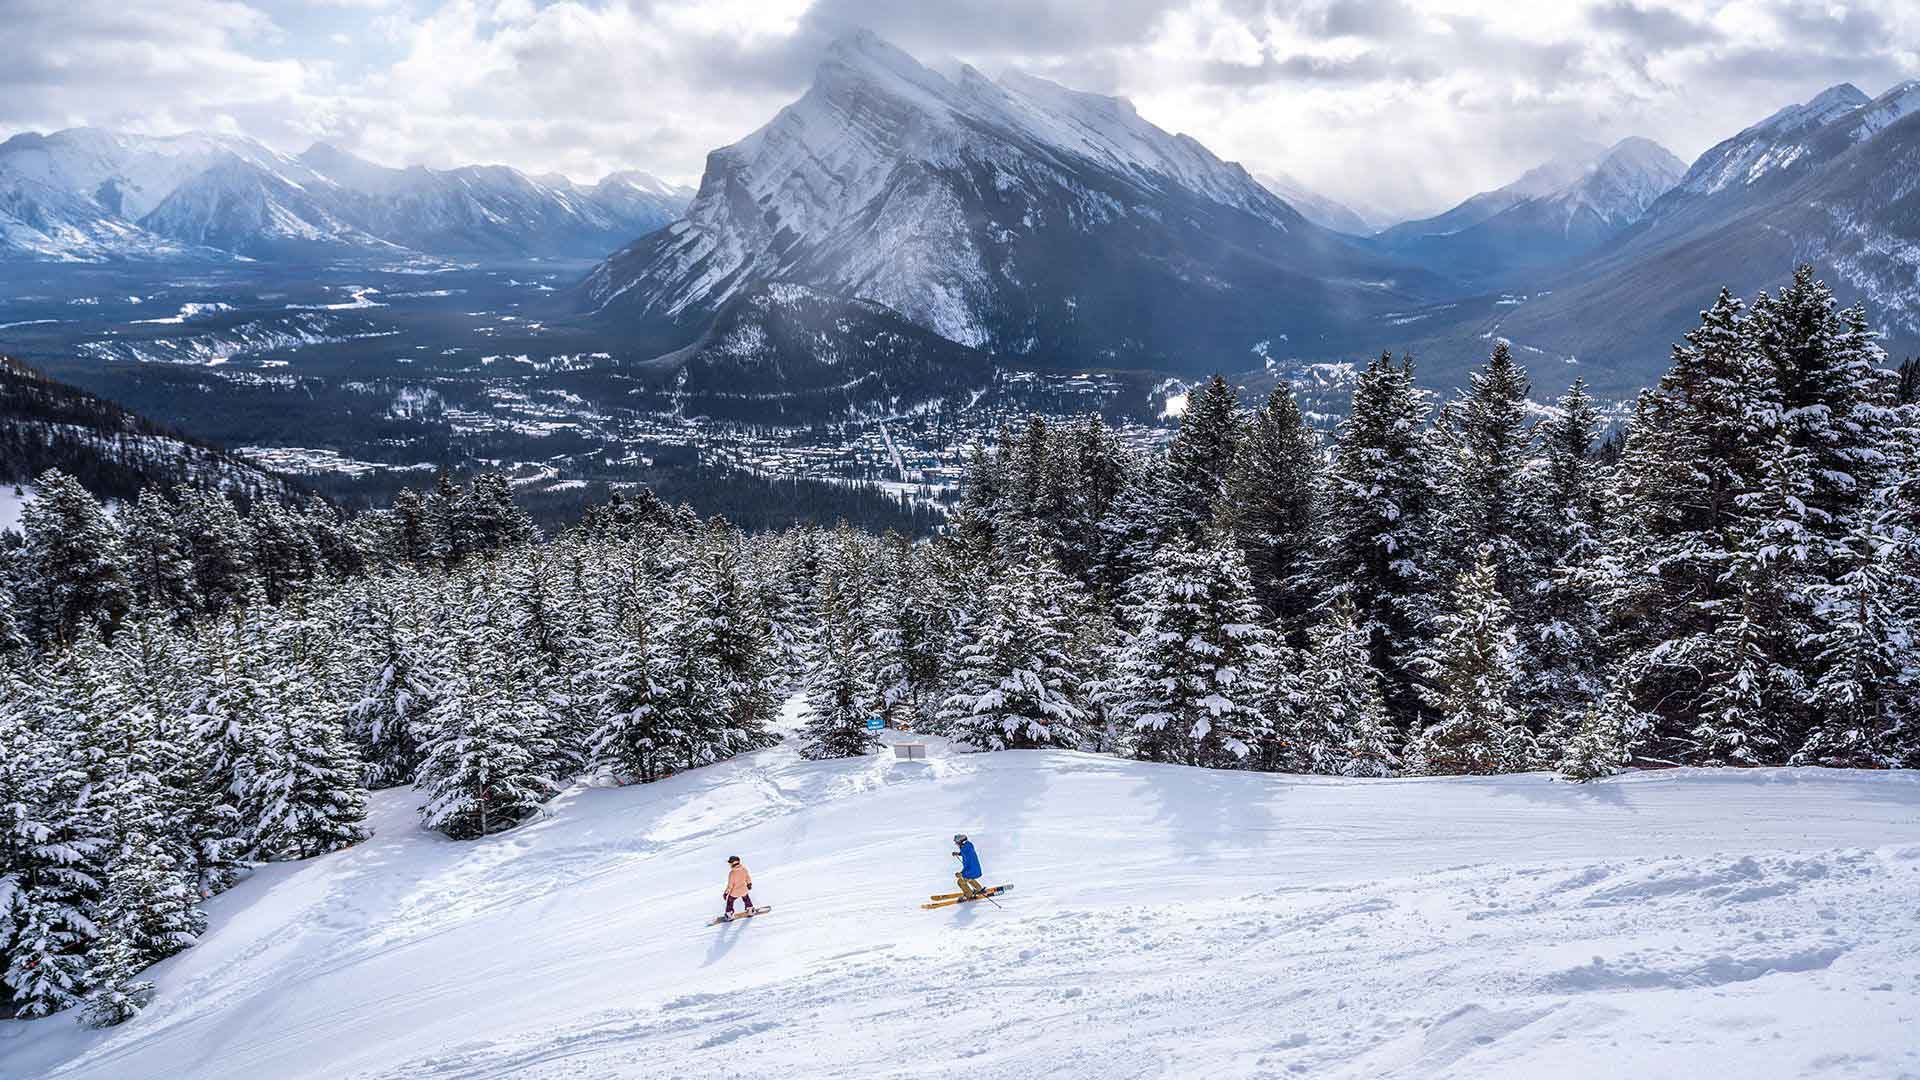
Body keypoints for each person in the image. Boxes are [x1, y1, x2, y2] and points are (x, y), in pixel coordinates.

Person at [952, 834, 984, 899]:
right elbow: (965, 853)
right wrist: (958, 853)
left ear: (962, 842)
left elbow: (971, 868)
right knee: (968, 878)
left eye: (957, 843)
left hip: (973, 871)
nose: (957, 845)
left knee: (960, 881)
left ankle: (969, 894)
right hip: (975, 870)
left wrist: (961, 874)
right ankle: (979, 889)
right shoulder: (967, 847)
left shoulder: (967, 851)